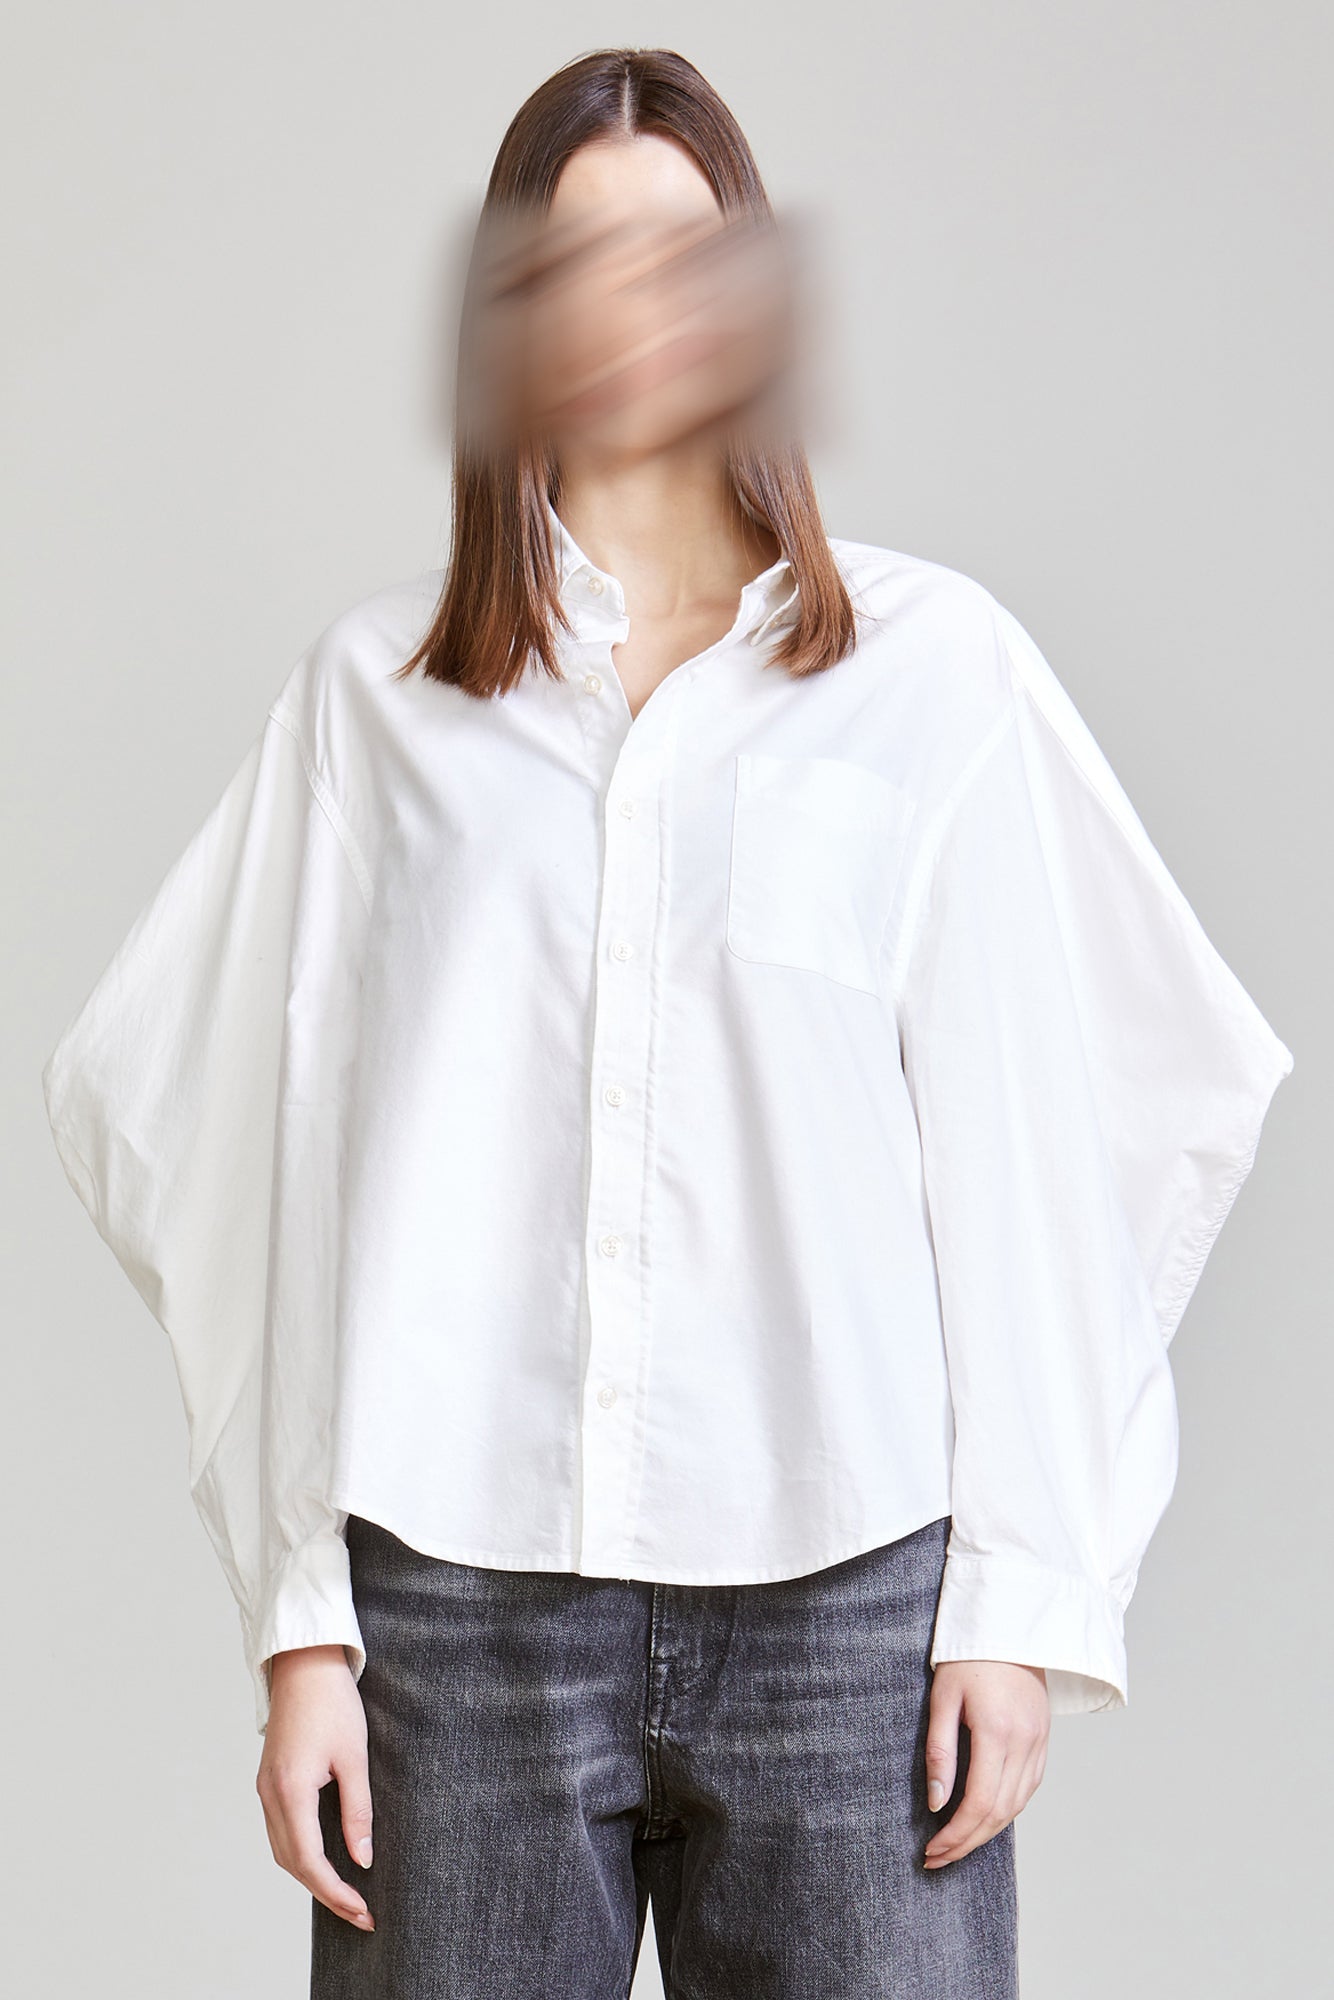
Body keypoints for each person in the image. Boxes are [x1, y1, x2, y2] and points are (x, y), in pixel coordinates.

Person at [40, 45, 1294, 2000]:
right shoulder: (377, 702)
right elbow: (238, 1155)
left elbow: (1058, 1140)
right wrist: (301, 1621)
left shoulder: (934, 681)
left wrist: (1026, 1590)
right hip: (455, 1614)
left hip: (853, 1611)